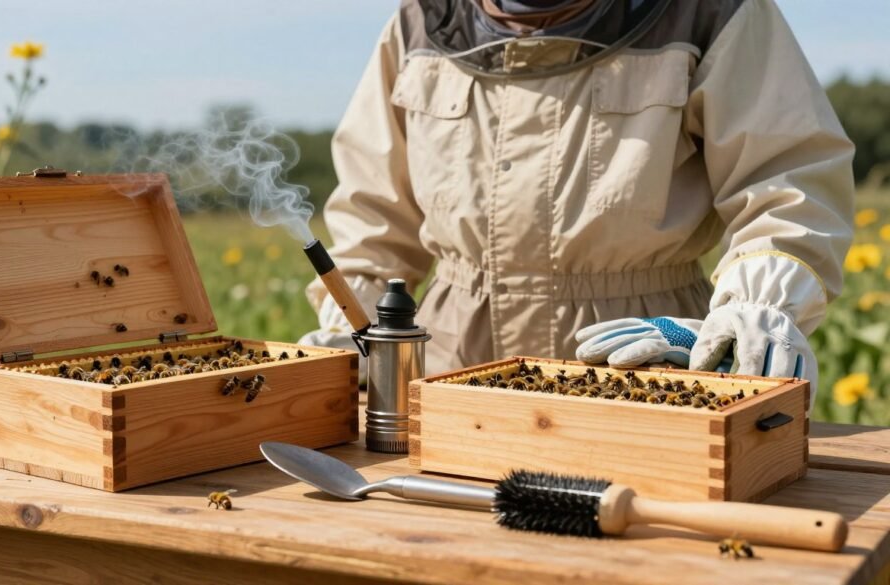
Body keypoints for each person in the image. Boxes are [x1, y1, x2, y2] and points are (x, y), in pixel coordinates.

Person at [299, 0, 854, 406]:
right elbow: (373, 217)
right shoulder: (420, 21)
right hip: (448, 371)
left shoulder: (708, 11)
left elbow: (787, 180)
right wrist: (355, 320)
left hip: (644, 360)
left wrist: (759, 303)